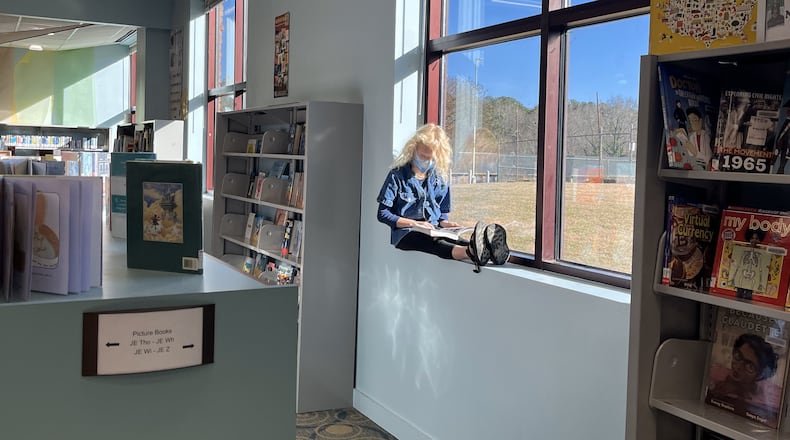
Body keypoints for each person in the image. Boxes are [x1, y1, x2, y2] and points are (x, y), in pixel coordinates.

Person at [376, 123, 508, 270]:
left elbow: (441, 211)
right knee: (436, 244)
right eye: (422, 156)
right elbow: (382, 214)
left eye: (430, 158)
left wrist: (445, 223)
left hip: (434, 228)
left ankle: (488, 251)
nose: (425, 161)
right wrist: (414, 224)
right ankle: (471, 252)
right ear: (413, 149)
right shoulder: (397, 176)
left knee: (456, 239)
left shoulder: (440, 178)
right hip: (406, 233)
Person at [707, 333, 779, 411]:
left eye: (750, 366)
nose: (738, 367)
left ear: (760, 375)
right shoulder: (715, 373)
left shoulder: (770, 396)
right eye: (738, 356)